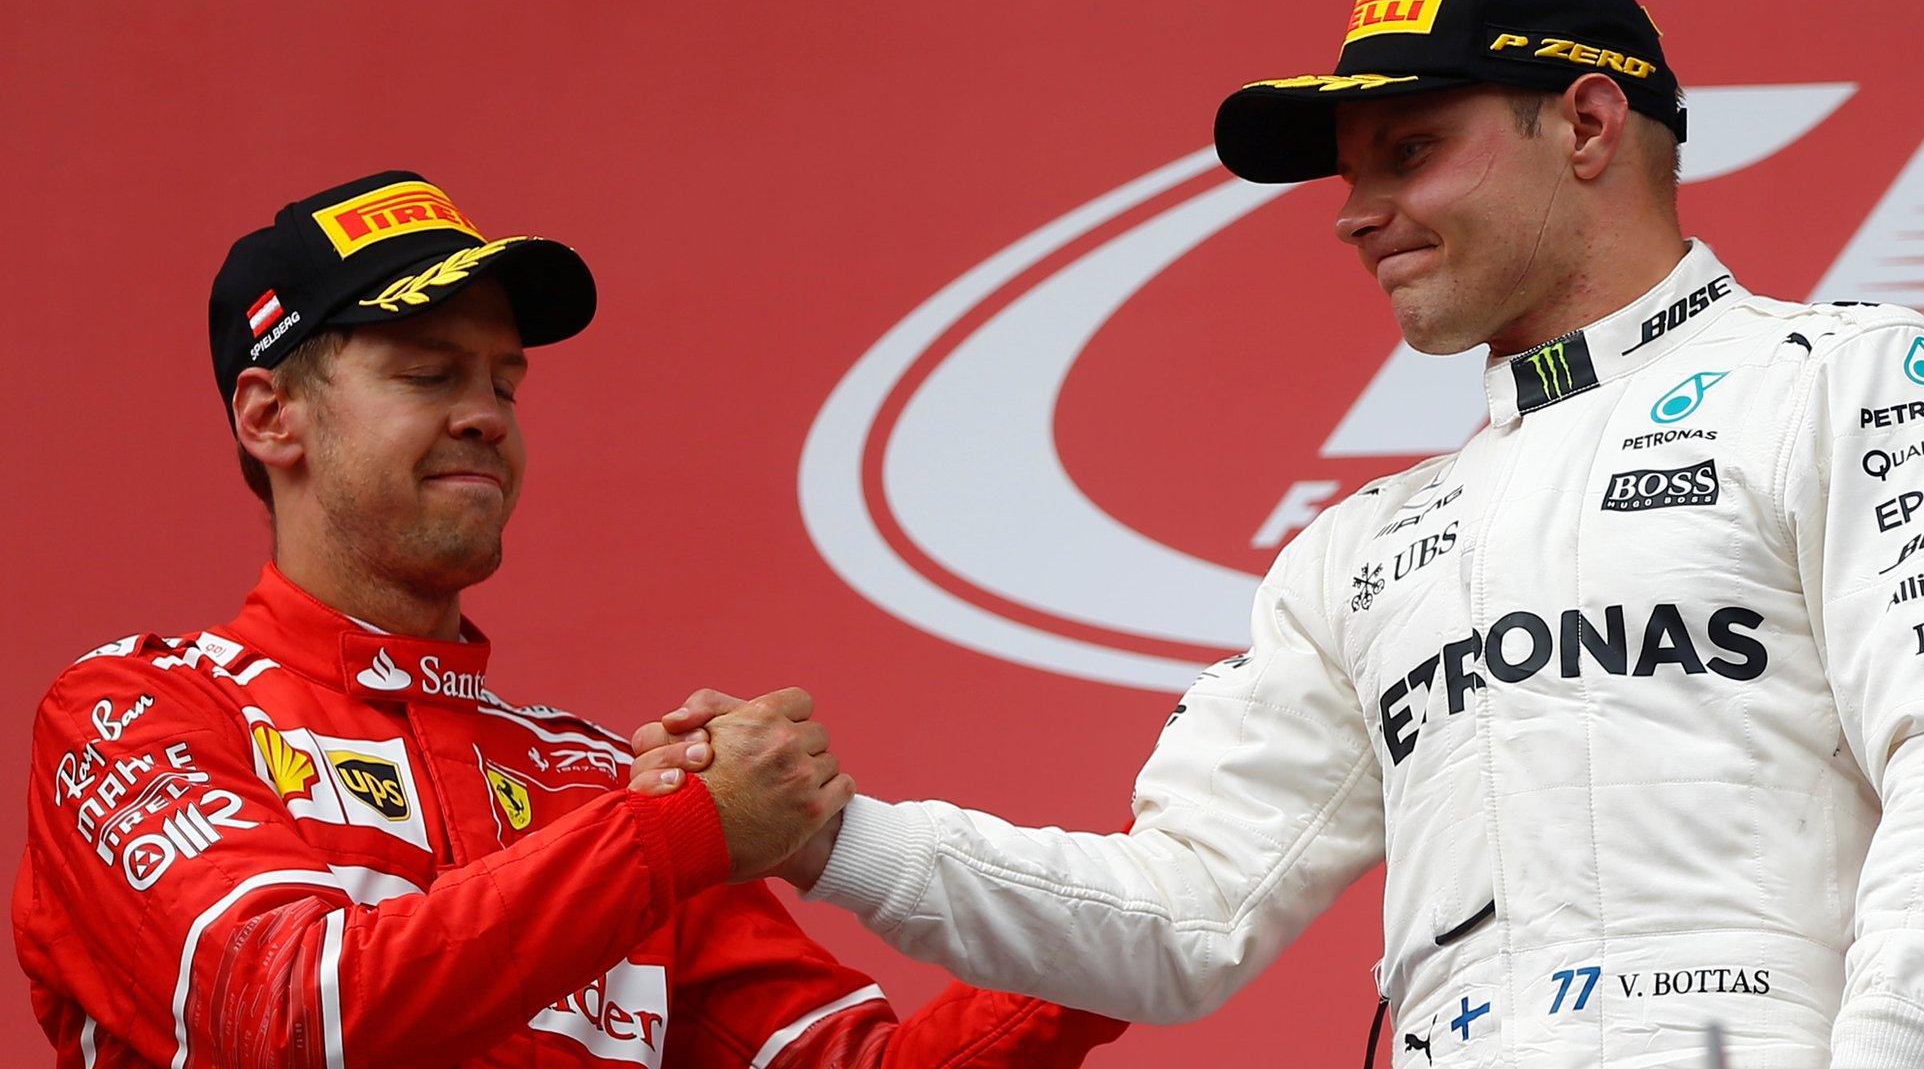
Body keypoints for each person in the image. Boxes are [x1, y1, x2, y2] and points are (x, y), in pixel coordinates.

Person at [658, 0, 1924, 1068]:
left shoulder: (1850, 377)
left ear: (1585, 121)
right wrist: (840, 839)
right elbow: (1187, 915)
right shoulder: (1362, 553)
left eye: (1410, 151)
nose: (1351, 212)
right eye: (1348, 171)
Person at [11, 171, 1126, 1069]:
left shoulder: (596, 785)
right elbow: (288, 1018)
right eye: (428, 373)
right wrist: (681, 831)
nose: (485, 418)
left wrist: (1119, 926)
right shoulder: (136, 710)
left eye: (505, 383)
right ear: (270, 417)